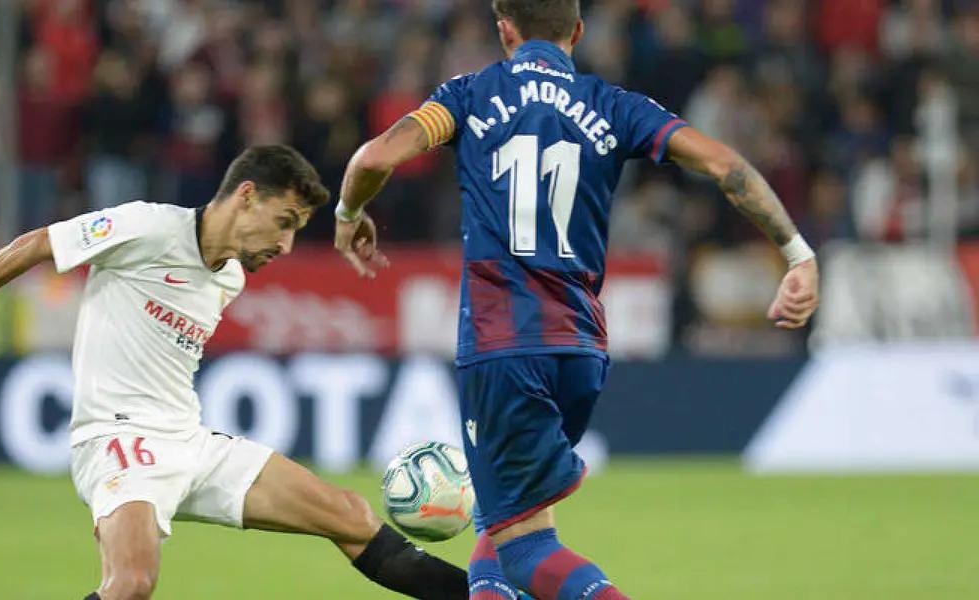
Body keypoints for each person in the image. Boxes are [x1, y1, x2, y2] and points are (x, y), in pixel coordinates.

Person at [333, 2, 820, 599]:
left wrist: (349, 213)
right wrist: (797, 253)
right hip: (580, 348)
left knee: (526, 549)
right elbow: (726, 165)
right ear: (578, 32)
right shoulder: (615, 105)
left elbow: (373, 157)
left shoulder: (468, 96)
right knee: (503, 521)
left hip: (503, 345)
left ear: (504, 29)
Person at [0, 145, 467, 600]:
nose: (286, 245)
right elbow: (35, 245)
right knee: (132, 584)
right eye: (284, 221)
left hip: (188, 441)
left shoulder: (229, 276)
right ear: (246, 196)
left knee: (351, 517)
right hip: (117, 439)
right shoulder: (147, 227)